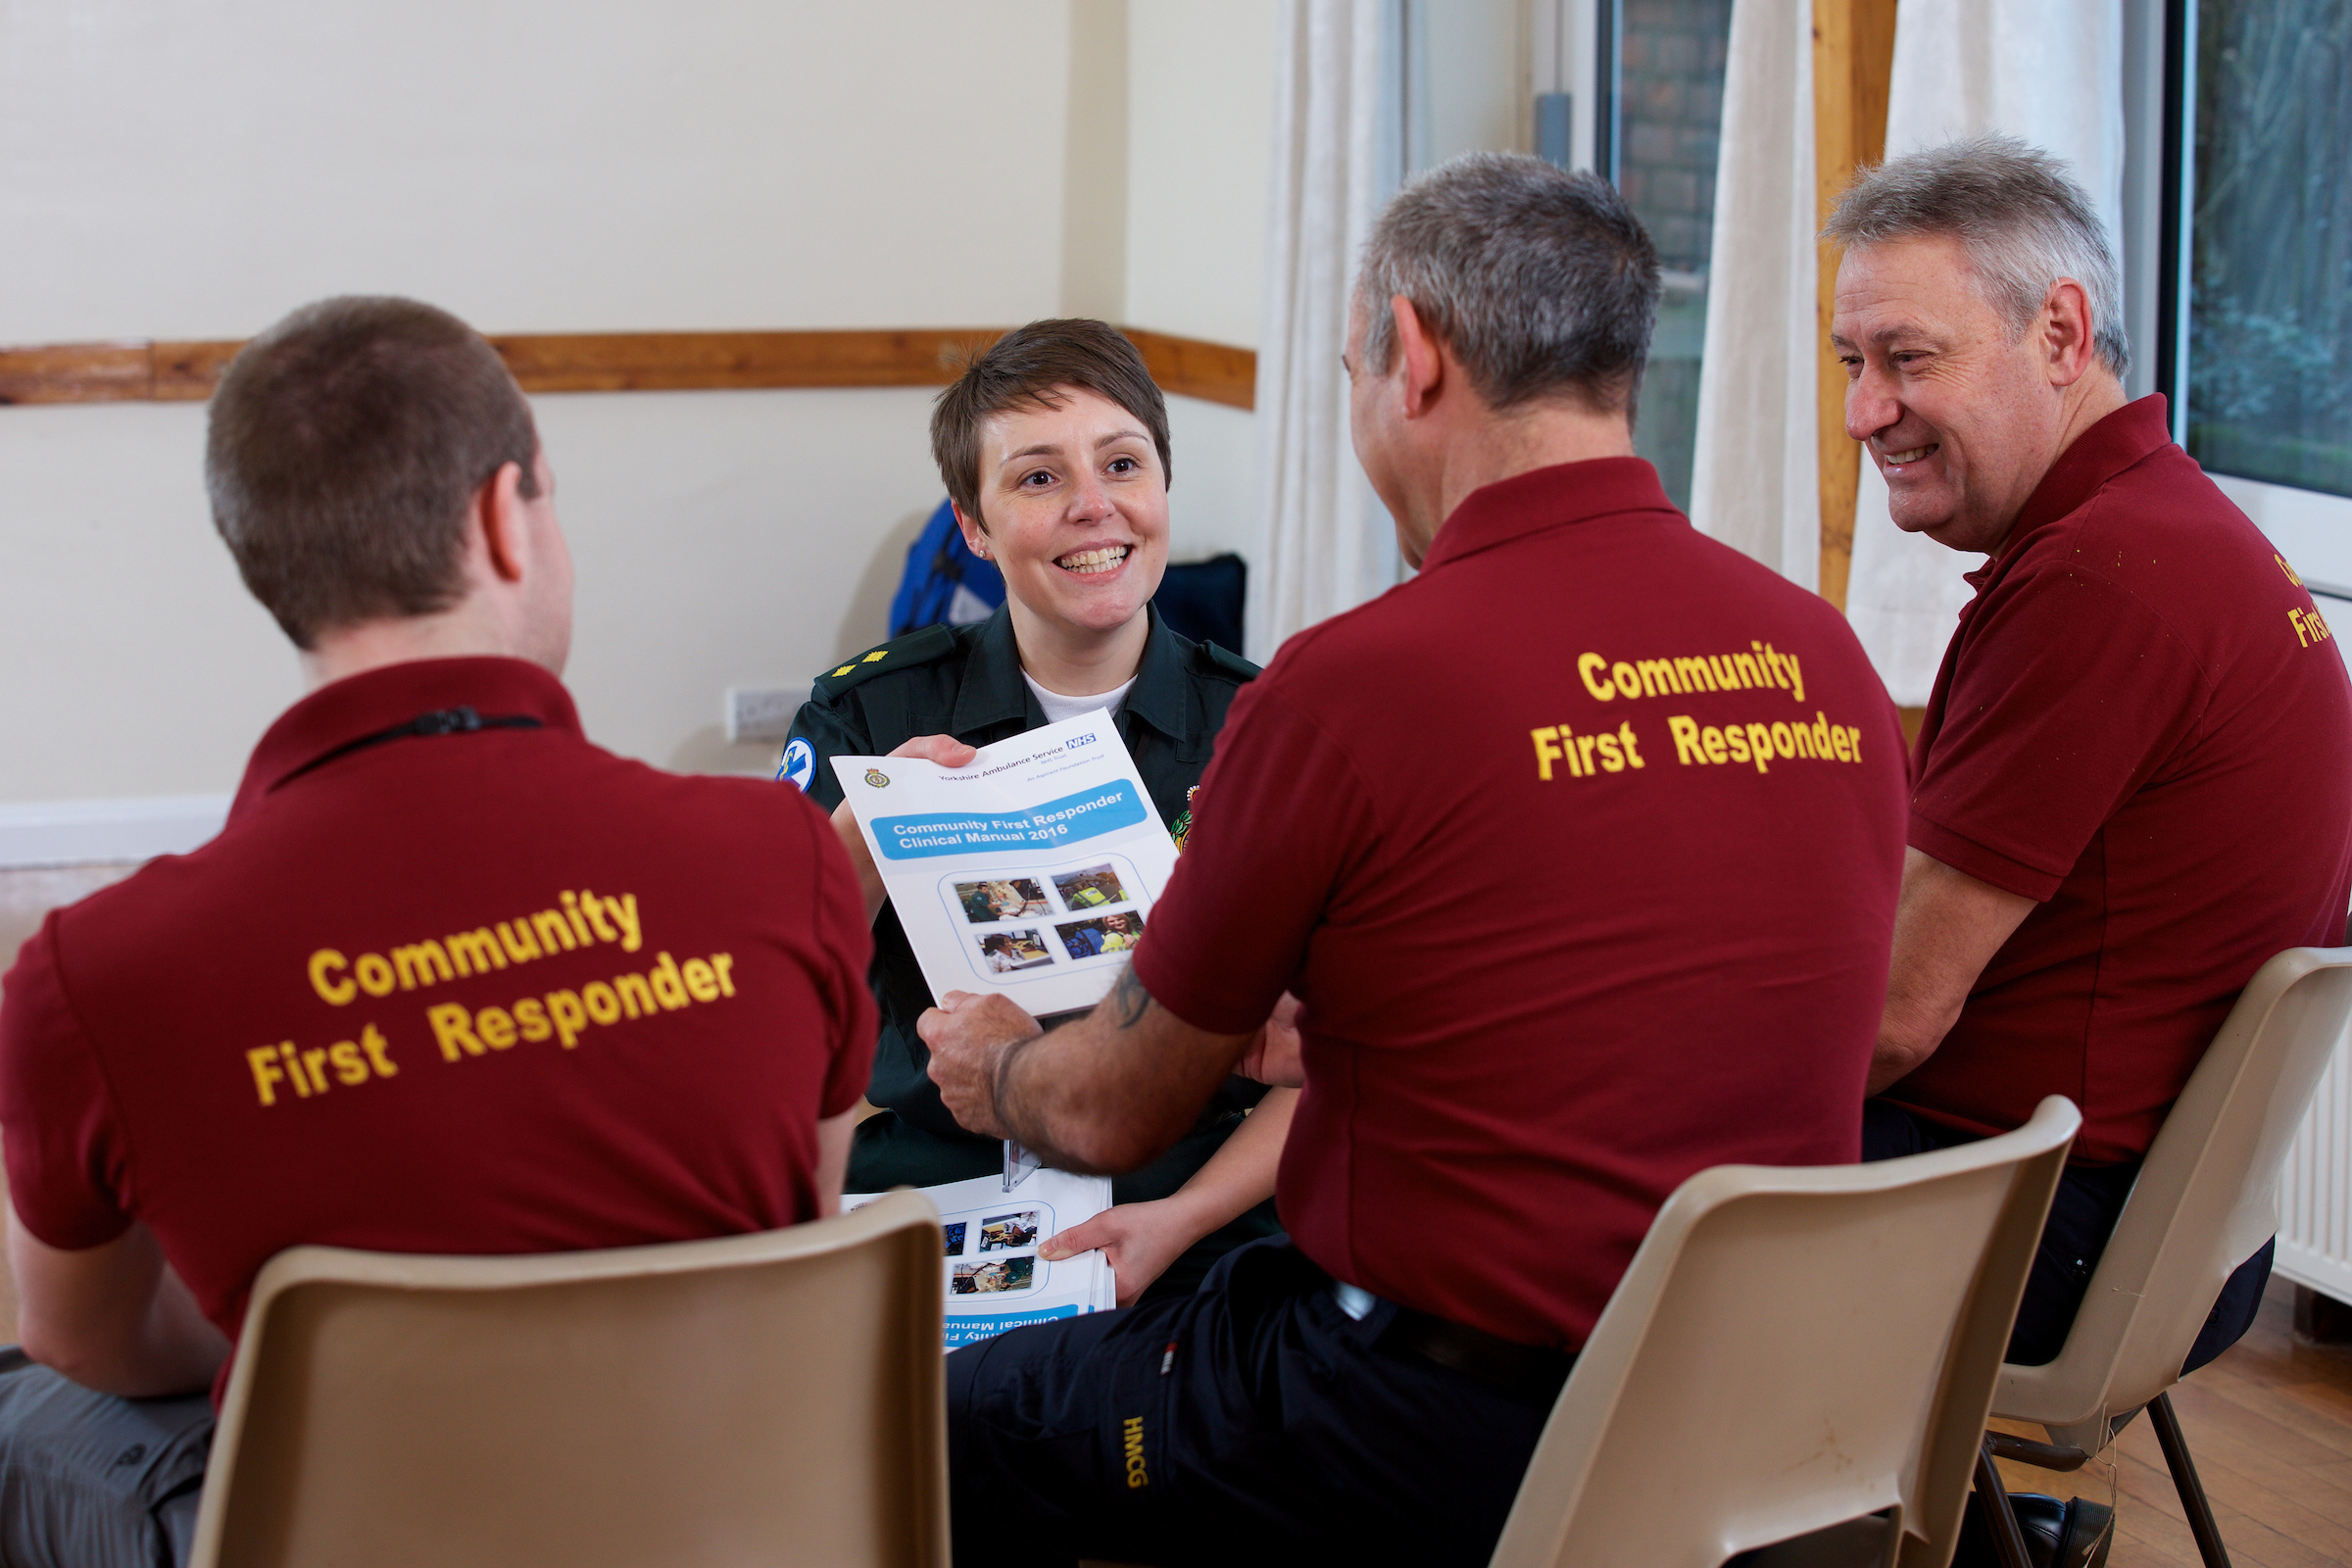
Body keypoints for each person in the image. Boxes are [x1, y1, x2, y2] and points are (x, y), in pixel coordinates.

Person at [918, 153, 1911, 1568]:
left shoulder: (1349, 685)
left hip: (1429, 1428)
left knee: (952, 1413)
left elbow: (1115, 1113)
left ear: (1412, 354)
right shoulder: (1820, 653)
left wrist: (1005, 1059)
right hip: (1767, 1417)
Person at [0, 296, 876, 1568]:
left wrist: (322, 1331)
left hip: (357, 1534)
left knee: (29, 1405)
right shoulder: (782, 853)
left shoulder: (92, 975)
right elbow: (802, 1217)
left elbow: (85, 1339)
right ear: (499, 520)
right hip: (725, 1523)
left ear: (273, 564)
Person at [1829, 136, 2352, 1376]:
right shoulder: (2175, 527)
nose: (1863, 411)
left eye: (1908, 359)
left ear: (2061, 335)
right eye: (1853, 362)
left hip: (2047, 1229)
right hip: (2169, 1229)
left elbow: (1895, 1021)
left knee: (1545, 1164)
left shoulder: (2099, 579)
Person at [781, 318, 1297, 1306]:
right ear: (971, 525)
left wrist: (1179, 1218)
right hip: (938, 1181)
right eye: (1037, 478)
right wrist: (861, 843)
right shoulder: (871, 713)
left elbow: (1325, 1064)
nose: (1093, 506)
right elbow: (776, 994)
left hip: (1195, 1190)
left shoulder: (1266, 725)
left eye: (1122, 464)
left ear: (1162, 489)